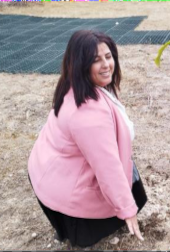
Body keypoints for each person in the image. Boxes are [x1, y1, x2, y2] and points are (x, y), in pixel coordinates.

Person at [28, 30, 147, 247]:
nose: (106, 65)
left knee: (129, 179)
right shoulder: (88, 114)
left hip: (48, 174)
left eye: (108, 57)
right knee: (133, 194)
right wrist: (128, 210)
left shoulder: (72, 87)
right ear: (81, 64)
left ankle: (66, 227)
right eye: (95, 60)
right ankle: (83, 231)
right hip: (64, 192)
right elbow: (108, 168)